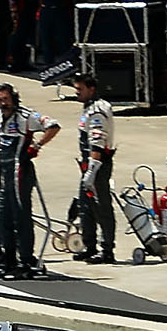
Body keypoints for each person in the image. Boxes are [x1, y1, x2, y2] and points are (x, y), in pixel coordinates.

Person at [0, 81, 59, 279]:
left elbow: (53, 126)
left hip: (21, 172)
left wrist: (37, 145)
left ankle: (26, 260)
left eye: (6, 99)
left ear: (14, 98)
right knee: (1, 219)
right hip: (5, 172)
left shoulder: (26, 116)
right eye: (0, 100)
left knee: (21, 217)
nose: (3, 103)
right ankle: (9, 260)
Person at [71, 70, 117, 264]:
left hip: (97, 166)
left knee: (101, 207)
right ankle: (89, 246)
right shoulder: (89, 107)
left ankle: (107, 250)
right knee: (85, 207)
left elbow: (98, 143)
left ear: (91, 89)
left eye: (80, 89)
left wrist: (91, 171)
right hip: (88, 164)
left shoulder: (97, 110)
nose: (76, 92)